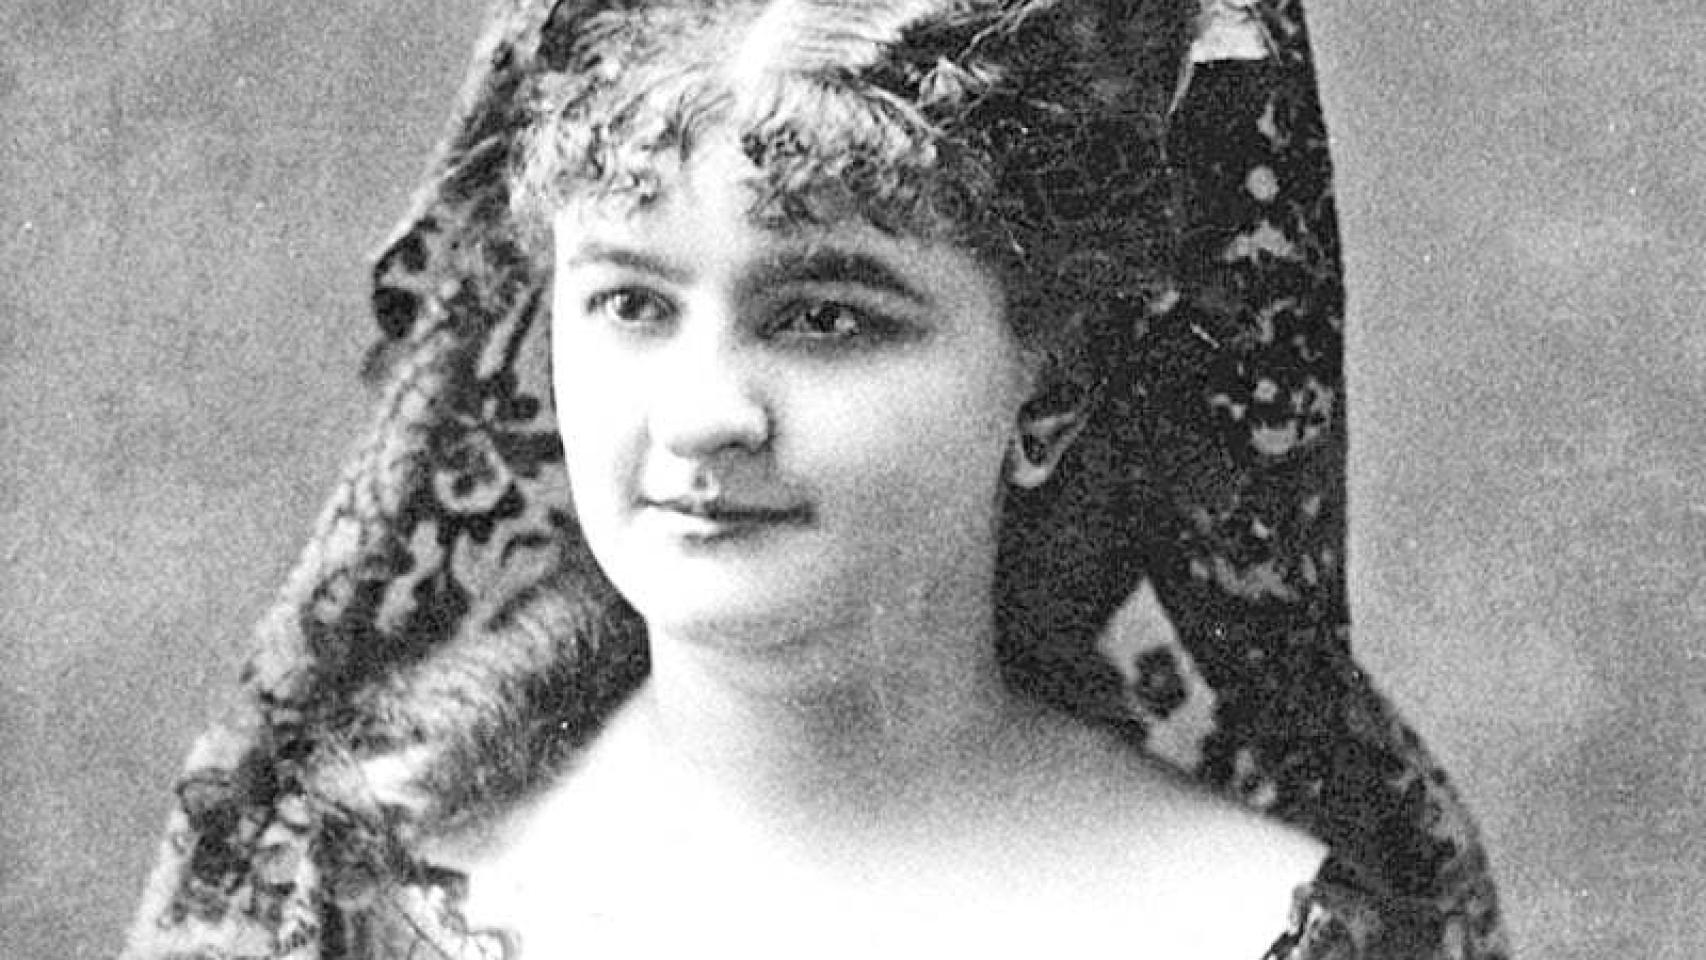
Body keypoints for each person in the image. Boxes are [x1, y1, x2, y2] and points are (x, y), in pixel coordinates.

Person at [122, 1, 1508, 958]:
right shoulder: (346, 893)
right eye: (631, 303)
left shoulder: (1262, 924)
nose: (703, 416)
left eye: (826, 315)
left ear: (1055, 384)